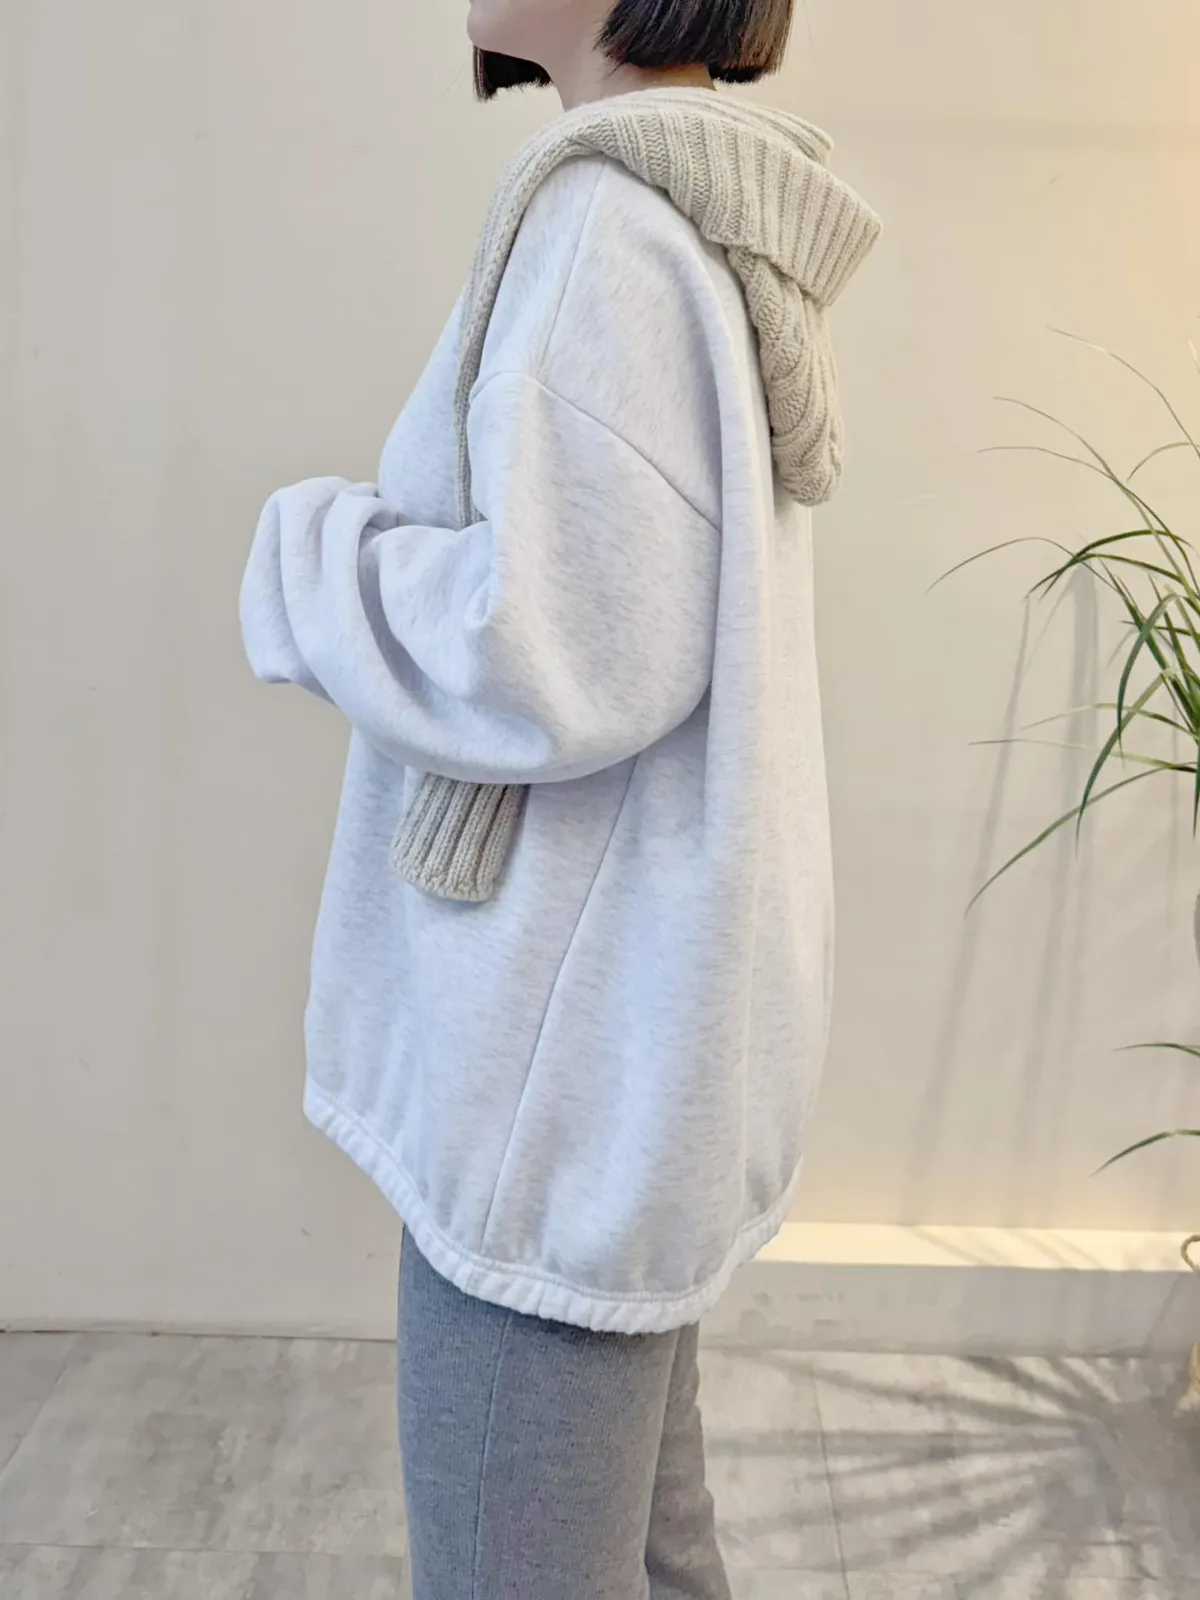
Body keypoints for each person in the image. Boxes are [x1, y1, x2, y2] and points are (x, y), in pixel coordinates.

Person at [239, 0, 879, 1593]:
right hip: (627, 1049)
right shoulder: (692, 213)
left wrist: (313, 553)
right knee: (649, 1552)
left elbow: (552, 648)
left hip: (557, 1078)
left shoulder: (608, 230)